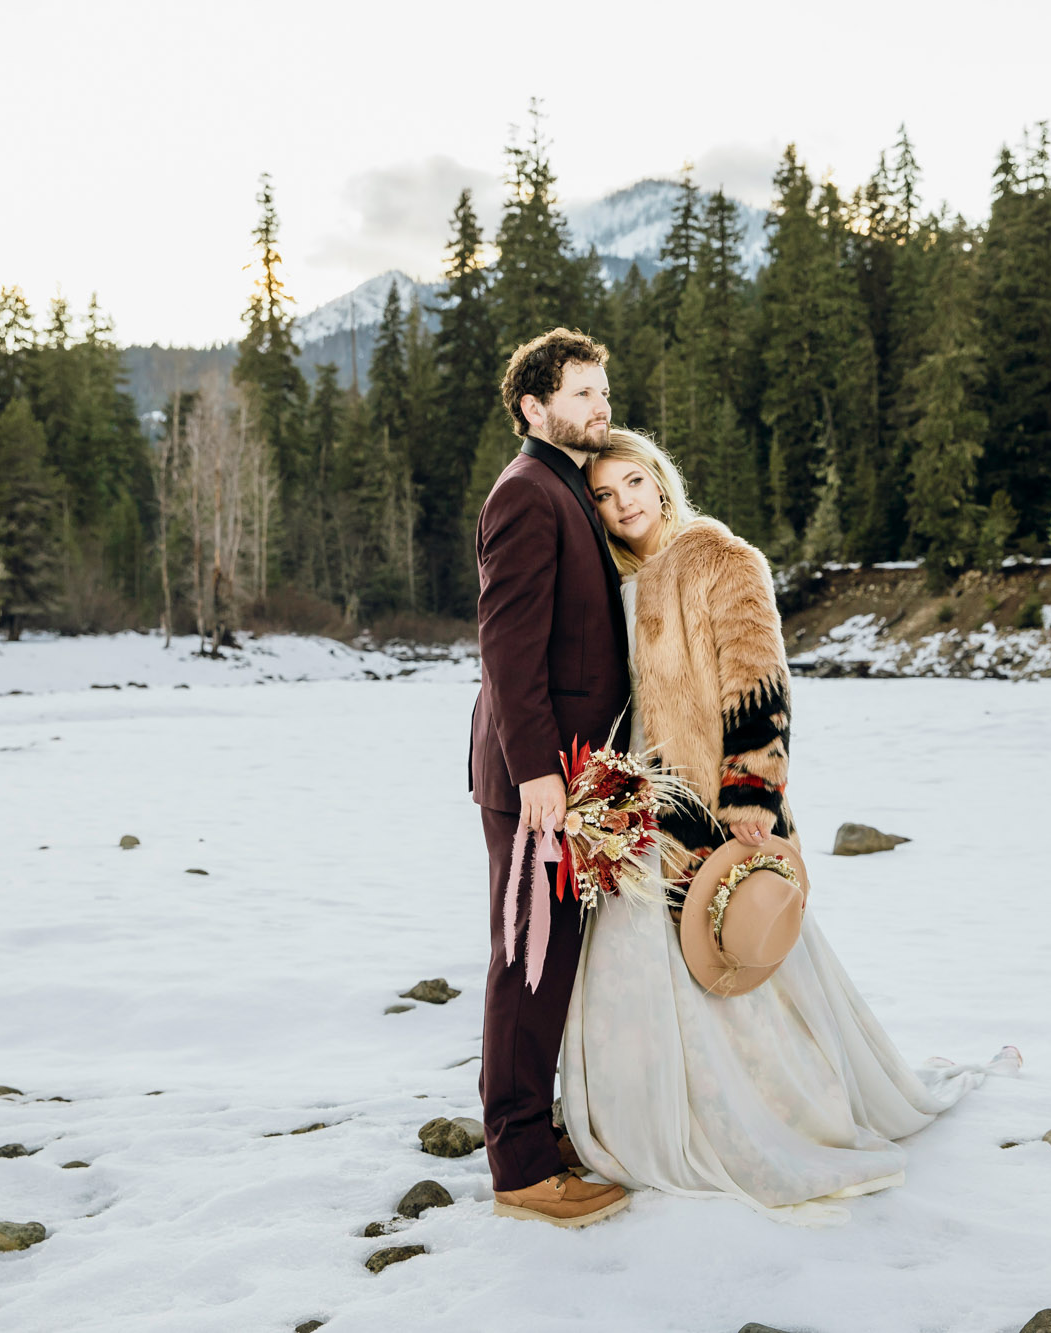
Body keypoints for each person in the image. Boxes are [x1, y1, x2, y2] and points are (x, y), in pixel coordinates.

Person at [560, 427, 984, 1225]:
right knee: (650, 974)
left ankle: (771, 1119)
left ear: (659, 477)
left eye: (632, 485)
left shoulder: (723, 559)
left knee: (740, 959)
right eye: (605, 498)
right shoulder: (622, 579)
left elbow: (762, 678)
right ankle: (656, 1117)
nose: (623, 506)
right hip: (648, 810)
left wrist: (751, 789)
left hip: (718, 804)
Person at [469, 329, 632, 1228]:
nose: (600, 406)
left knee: (550, 960)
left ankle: (534, 1131)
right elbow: (508, 642)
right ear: (534, 407)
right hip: (543, 778)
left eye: (604, 391)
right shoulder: (528, 492)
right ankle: (522, 1167)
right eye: (580, 393)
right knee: (526, 962)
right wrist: (536, 770)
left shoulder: (567, 483)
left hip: (575, 775)